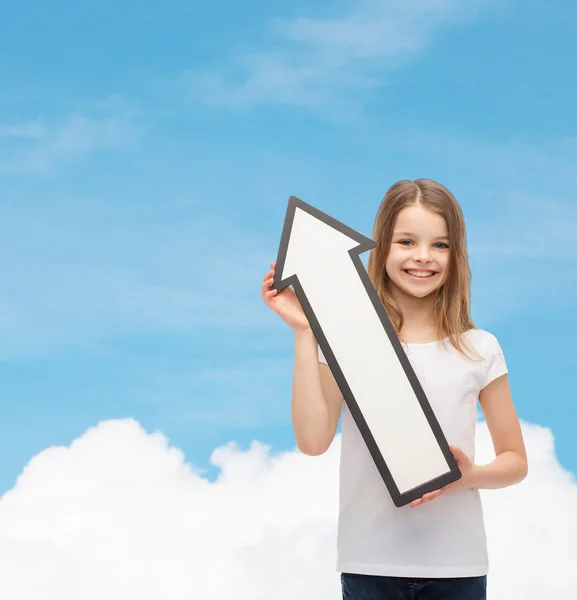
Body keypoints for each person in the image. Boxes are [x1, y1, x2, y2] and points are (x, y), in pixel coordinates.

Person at [260, 179, 528, 600]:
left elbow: (515, 461)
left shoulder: (480, 348)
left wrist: (466, 476)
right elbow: (313, 441)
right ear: (382, 247)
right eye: (407, 241)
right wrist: (306, 332)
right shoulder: (348, 339)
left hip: (458, 565)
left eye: (440, 245)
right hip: (370, 563)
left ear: (456, 256)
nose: (423, 257)